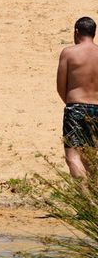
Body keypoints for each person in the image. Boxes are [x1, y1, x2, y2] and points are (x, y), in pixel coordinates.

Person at [58, 17, 98, 178]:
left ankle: (85, 197)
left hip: (76, 107)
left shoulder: (69, 53)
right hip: (97, 108)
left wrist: (71, 103)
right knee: (90, 157)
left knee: (72, 156)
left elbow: (61, 85)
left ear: (76, 32)